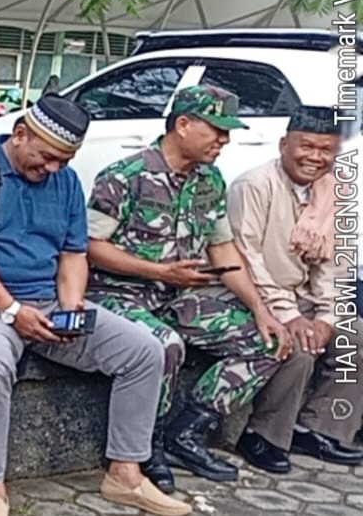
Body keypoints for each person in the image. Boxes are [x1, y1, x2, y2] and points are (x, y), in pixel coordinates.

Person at [0, 97, 187, 516]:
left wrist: (70, 308)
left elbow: (73, 253)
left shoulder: (65, 181)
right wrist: (12, 310)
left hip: (46, 300)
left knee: (144, 351)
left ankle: (125, 474)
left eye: (64, 161)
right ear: (20, 135)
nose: (53, 168)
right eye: (47, 157)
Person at [86, 85, 290, 488]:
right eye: (217, 129)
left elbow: (223, 249)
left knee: (266, 341)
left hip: (178, 297)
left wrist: (261, 309)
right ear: (183, 124)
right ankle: (146, 445)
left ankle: (187, 432)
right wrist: (159, 272)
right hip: (118, 296)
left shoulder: (209, 180)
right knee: (165, 345)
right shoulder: (125, 176)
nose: (224, 140)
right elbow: (91, 247)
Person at [229, 105, 363, 470]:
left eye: (326, 150)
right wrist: (289, 315)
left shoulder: (331, 193)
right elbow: (248, 259)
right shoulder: (254, 185)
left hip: (301, 297)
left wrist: (327, 317)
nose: (315, 158)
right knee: (299, 346)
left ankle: (318, 429)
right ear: (283, 144)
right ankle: (262, 435)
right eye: (307, 146)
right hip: (250, 296)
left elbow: (332, 267)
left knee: (355, 334)